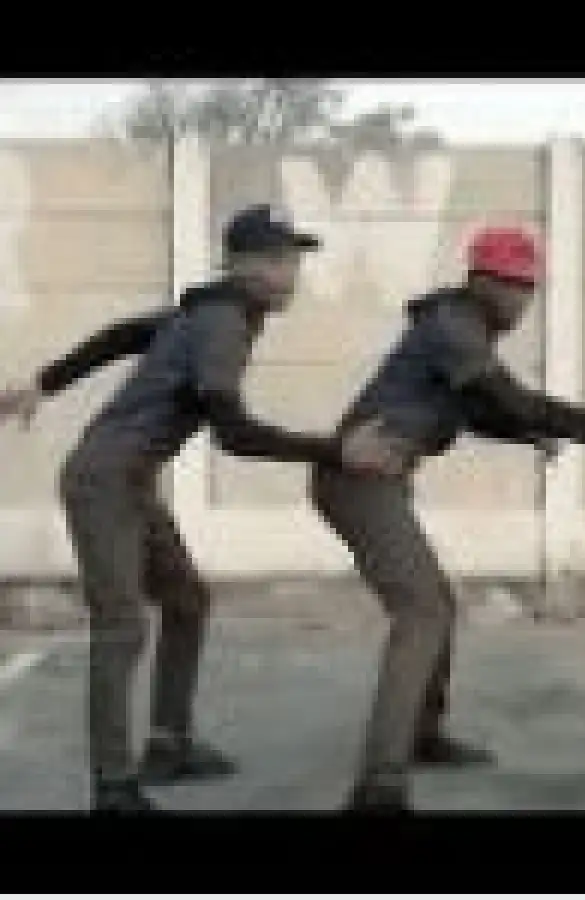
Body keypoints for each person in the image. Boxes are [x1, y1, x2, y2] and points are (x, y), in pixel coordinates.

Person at [0, 204, 404, 813]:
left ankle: (169, 745)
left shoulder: (207, 310)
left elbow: (122, 336)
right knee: (120, 625)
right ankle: (114, 787)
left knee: (186, 600)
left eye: (293, 260)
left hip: (128, 480)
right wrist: (335, 450)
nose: (291, 274)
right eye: (278, 261)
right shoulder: (224, 322)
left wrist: (43, 383)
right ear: (242, 265)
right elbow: (233, 433)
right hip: (105, 482)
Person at [310, 224, 585, 814]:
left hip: (379, 477)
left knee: (435, 602)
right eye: (510, 285)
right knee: (421, 611)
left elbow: (476, 411)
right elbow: (512, 399)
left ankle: (422, 734)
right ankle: (380, 787)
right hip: (356, 480)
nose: (521, 299)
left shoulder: (460, 328)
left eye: (528, 287)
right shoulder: (453, 327)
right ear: (478, 280)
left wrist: (522, 433)